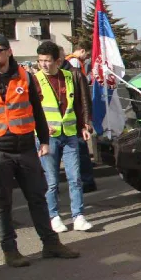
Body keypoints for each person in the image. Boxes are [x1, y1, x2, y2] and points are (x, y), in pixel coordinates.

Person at [0, 34, 80, 267]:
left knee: (37, 198)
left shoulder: (25, 77)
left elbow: (37, 111)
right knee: (2, 203)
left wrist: (45, 140)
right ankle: (10, 250)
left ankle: (51, 244)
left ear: (8, 52)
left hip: (26, 148)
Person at [35, 42, 93, 233]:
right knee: (51, 180)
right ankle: (54, 216)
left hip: (69, 134)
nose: (44, 65)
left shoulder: (70, 76)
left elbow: (79, 102)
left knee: (75, 178)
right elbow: (30, 110)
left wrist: (84, 125)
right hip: (47, 138)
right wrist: (41, 129)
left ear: (58, 61)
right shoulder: (34, 80)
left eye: (48, 61)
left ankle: (78, 216)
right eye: (40, 61)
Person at [61, 47, 97, 193]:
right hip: (63, 123)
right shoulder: (73, 65)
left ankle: (87, 181)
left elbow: (83, 97)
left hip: (76, 120)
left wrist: (86, 120)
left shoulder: (73, 72)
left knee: (81, 152)